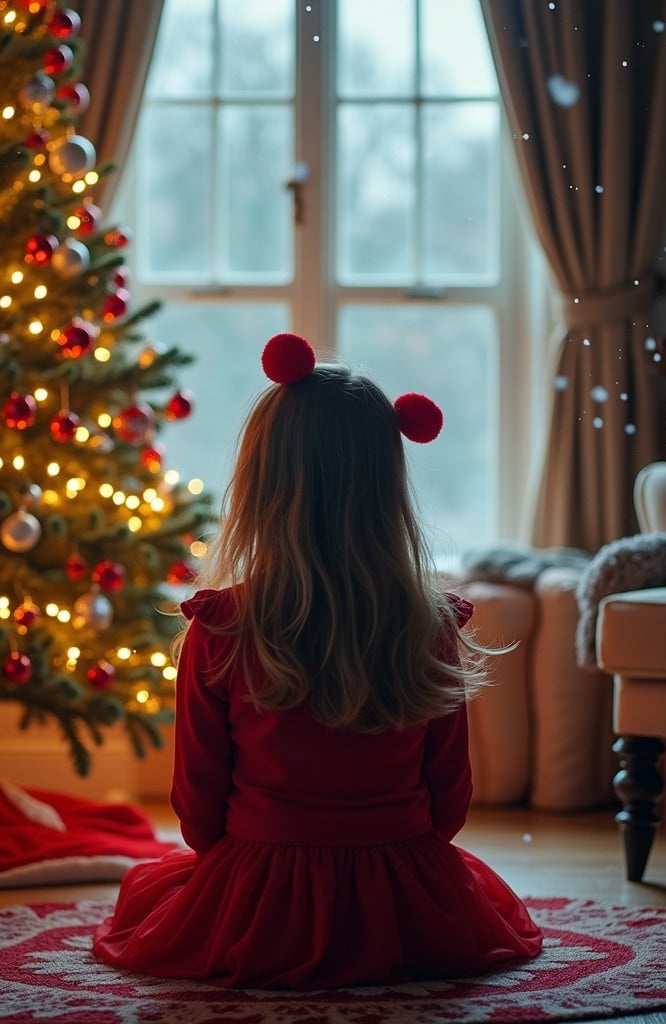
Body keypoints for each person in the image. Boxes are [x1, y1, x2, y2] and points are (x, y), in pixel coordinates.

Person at [93, 332, 543, 988]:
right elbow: (451, 799)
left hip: (261, 882)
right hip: (401, 881)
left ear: (260, 483)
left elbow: (196, 804)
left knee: (147, 895)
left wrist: (240, 874)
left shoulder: (222, 627)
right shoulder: (430, 624)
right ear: (388, 485)